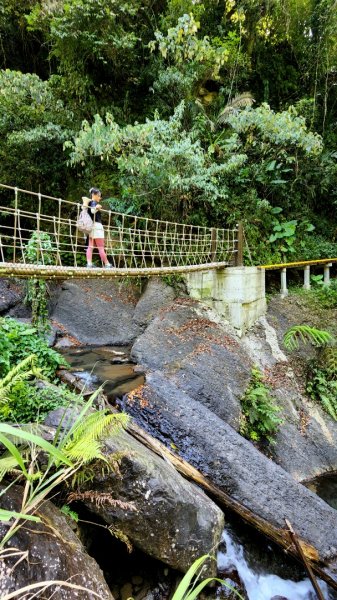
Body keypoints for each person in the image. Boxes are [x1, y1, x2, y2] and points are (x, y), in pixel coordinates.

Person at [82, 187, 111, 268]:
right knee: (101, 247)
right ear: (93, 195)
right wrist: (97, 207)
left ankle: (89, 264)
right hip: (97, 227)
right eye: (98, 195)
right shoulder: (94, 203)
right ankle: (107, 264)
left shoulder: (89, 203)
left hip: (91, 227)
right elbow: (92, 211)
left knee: (90, 246)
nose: (100, 197)